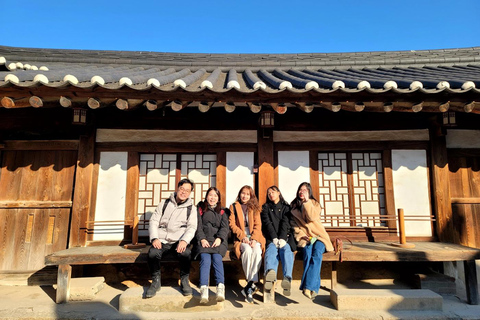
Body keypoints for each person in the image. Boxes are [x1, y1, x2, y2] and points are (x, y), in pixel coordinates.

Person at [146, 178, 197, 298]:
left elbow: (192, 227)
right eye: (182, 189)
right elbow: (153, 221)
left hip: (178, 241)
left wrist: (184, 241)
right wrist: (154, 238)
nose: (184, 192)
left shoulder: (191, 208)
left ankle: (184, 280)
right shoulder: (164, 203)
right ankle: (156, 282)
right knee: (152, 253)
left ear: (190, 193)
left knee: (186, 254)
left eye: (187, 190)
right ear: (178, 188)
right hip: (162, 239)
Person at [289, 182, 333, 300]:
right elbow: (294, 225)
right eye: (300, 189)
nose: (301, 192)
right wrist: (302, 235)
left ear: (309, 192)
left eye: (304, 190)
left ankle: (307, 287)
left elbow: (312, 217)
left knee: (317, 254)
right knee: (307, 254)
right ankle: (312, 287)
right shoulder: (293, 207)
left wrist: (307, 202)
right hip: (306, 238)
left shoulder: (315, 204)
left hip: (319, 237)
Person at [228, 185, 265, 303]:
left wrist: (254, 239)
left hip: (254, 236)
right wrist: (243, 237)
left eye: (248, 194)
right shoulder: (234, 206)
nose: (245, 196)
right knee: (247, 251)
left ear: (251, 196)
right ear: (240, 194)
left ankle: (249, 285)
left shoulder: (254, 208)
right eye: (243, 193)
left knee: (257, 251)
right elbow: (232, 224)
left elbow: (258, 225)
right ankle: (251, 283)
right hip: (241, 238)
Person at [194, 187, 229, 304]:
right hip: (203, 240)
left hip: (218, 241)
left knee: (217, 258)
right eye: (210, 195)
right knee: (205, 259)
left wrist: (220, 238)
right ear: (206, 196)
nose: (212, 198)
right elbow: (198, 227)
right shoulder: (200, 209)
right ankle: (204, 289)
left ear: (218, 198)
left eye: (215, 195)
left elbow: (225, 228)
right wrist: (202, 239)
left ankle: (220, 288)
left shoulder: (223, 211)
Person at [261, 186, 296, 296]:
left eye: (273, 192)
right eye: (269, 193)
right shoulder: (265, 207)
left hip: (284, 238)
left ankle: (287, 279)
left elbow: (285, 223)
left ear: (279, 193)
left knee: (287, 251)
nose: (271, 194)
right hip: (272, 238)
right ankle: (270, 275)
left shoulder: (286, 208)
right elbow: (267, 224)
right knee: (271, 250)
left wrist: (282, 238)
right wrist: (274, 238)